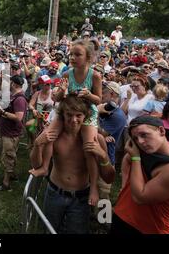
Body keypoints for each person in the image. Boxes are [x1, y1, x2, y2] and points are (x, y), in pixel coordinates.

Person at [30, 95, 115, 234]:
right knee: (49, 230)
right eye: (69, 115)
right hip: (54, 192)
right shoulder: (54, 136)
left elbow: (109, 178)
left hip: (81, 197)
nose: (74, 120)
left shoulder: (96, 139)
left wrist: (103, 156)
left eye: (78, 115)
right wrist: (37, 144)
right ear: (62, 115)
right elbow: (37, 165)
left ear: (85, 116)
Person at [33, 39, 102, 206]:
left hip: (86, 114)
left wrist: (88, 94)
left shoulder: (94, 75)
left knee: (89, 147)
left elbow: (98, 100)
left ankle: (93, 187)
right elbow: (56, 98)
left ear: (88, 57)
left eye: (77, 54)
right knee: (48, 135)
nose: (72, 57)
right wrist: (61, 91)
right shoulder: (66, 74)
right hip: (66, 111)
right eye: (71, 54)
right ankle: (45, 167)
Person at [110, 116, 169, 234]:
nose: (140, 142)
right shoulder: (145, 152)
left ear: (161, 131)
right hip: (121, 216)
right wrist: (124, 186)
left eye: (144, 135)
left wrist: (136, 158)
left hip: (147, 229)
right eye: (136, 139)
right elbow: (127, 159)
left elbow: (140, 197)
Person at [0, 75, 28, 191]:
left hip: (12, 133)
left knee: (8, 156)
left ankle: (6, 183)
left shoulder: (19, 99)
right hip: (8, 131)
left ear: (14, 84)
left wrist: (3, 112)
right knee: (11, 153)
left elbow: (18, 117)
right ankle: (13, 175)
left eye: (10, 82)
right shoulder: (13, 96)